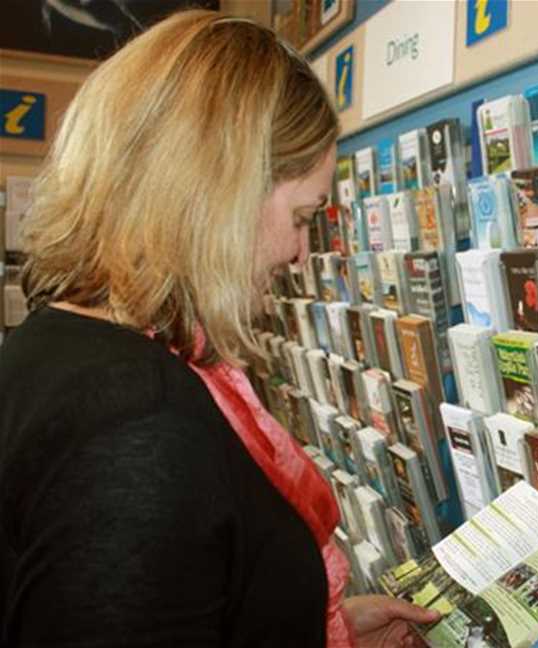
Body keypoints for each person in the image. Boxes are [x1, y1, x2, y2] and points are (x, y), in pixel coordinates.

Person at [0, 10, 437, 647]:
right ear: (221, 200)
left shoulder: (55, 343)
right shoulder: (140, 429)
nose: (301, 253)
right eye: (302, 215)